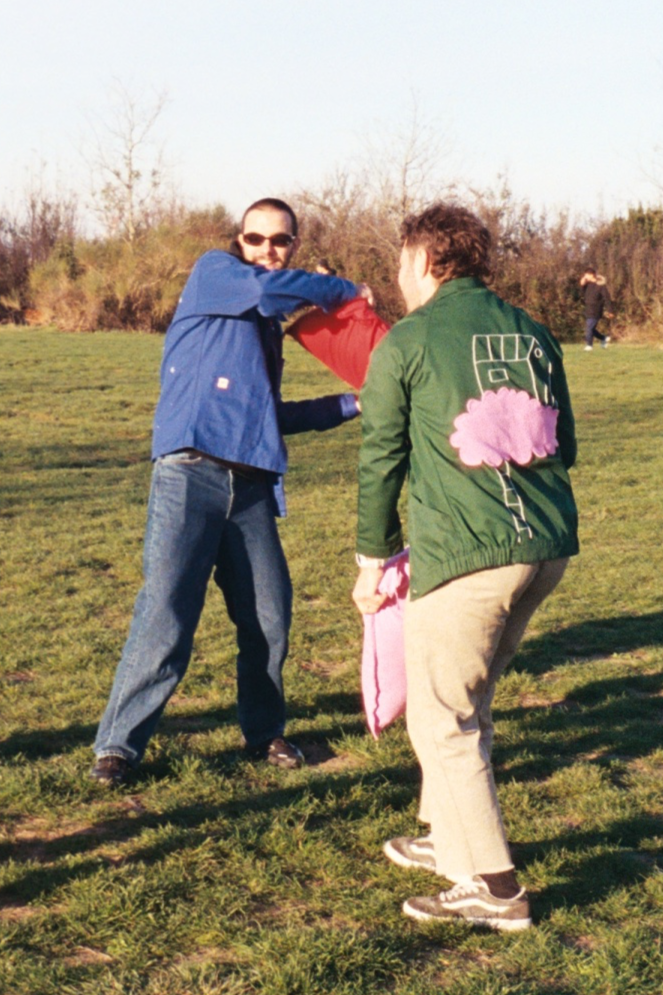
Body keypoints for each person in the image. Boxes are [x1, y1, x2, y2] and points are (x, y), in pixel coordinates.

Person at [90, 198, 373, 787]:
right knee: (166, 614)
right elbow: (271, 291)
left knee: (269, 616)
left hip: (250, 486)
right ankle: (117, 748)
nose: (268, 249)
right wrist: (343, 290)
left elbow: (269, 416)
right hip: (188, 473)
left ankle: (265, 733)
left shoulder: (266, 329)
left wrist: (353, 404)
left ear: (294, 245)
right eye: (256, 238)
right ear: (238, 242)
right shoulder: (215, 275)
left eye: (281, 241)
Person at [353, 203, 578, 931]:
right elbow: (564, 445)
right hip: (544, 548)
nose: (398, 277)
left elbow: (380, 459)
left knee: (442, 719)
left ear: (423, 260)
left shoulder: (409, 339)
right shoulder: (534, 332)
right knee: (463, 701)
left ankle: (495, 888)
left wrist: (372, 562)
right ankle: (448, 838)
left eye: (401, 262)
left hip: (469, 555)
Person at [579, 267, 615, 350]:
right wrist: (582, 285)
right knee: (591, 329)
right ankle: (604, 338)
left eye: (587, 275)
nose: (585, 277)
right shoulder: (587, 285)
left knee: (589, 328)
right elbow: (583, 293)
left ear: (592, 275)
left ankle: (589, 345)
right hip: (588, 310)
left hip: (596, 310)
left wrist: (610, 310)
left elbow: (607, 299)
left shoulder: (601, 286)